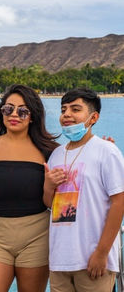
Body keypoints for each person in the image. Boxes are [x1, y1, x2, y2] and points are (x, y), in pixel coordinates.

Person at [0, 84, 59, 292]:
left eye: (23, 111)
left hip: (37, 235)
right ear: (1, 112)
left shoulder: (50, 151)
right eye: (8, 109)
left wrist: (103, 148)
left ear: (32, 116)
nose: (14, 114)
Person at [44, 88, 124, 292]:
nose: (67, 114)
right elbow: (49, 204)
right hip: (60, 259)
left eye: (75, 109)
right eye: (63, 109)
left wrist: (101, 252)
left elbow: (119, 202)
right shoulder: (56, 155)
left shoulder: (107, 151)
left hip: (93, 259)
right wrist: (48, 186)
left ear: (93, 117)